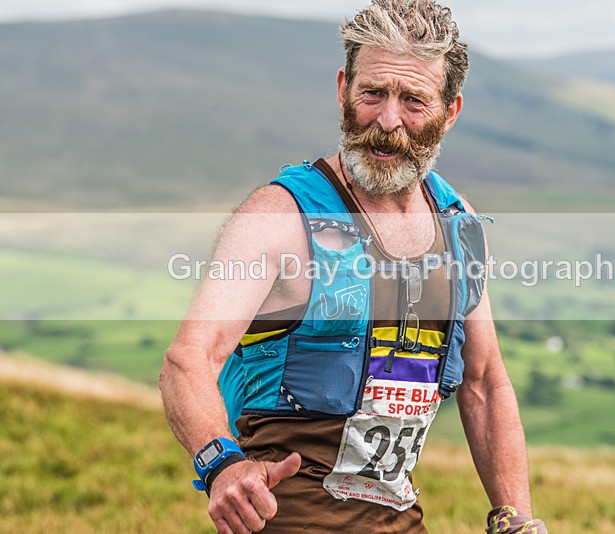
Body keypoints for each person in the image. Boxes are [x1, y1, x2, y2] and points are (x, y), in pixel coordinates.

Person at [159, 1, 547, 532]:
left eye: (413, 100)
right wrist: (222, 464)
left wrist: (516, 518)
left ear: (450, 111)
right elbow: (189, 359)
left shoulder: (459, 223)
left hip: (401, 520)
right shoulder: (280, 215)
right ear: (343, 87)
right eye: (373, 93)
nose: (388, 122)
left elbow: (484, 381)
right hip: (285, 521)